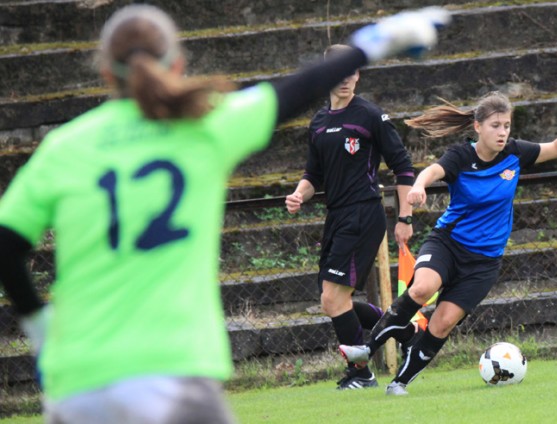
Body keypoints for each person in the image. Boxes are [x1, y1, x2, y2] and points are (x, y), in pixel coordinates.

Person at [0, 4, 449, 422]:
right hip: (176, 368)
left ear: (103, 71)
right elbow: (292, 91)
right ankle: (381, 346)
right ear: (176, 66)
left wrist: (40, 327)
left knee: (336, 298)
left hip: (80, 373)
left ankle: (369, 357)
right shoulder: (205, 127)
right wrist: (375, 40)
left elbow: (5, 243)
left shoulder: (65, 147)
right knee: (335, 297)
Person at [339, 91, 557, 395]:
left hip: (484, 262)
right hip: (447, 244)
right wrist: (419, 185)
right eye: (495, 126)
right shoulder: (461, 156)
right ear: (478, 127)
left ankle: (400, 383)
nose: (502, 133)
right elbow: (434, 170)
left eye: (507, 126)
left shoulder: (515, 153)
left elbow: (554, 148)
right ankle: (368, 349)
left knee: (442, 324)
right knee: (421, 288)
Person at [284, 43, 417, 390]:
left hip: (363, 213)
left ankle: (361, 374)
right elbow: (314, 176)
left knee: (332, 299)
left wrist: (405, 218)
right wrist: (300, 193)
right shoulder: (319, 122)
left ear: (358, 75)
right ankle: (405, 330)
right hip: (337, 216)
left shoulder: (370, 115)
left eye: (352, 72)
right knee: (334, 301)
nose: (346, 80)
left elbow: (403, 168)